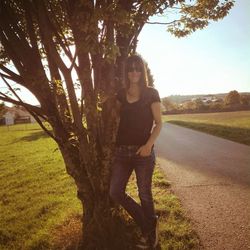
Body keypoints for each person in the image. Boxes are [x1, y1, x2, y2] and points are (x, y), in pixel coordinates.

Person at [109, 54, 162, 248]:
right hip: (122, 152)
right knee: (115, 192)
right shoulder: (121, 95)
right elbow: (113, 115)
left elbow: (159, 123)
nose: (134, 72)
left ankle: (149, 235)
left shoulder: (151, 93)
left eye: (137, 68)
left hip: (143, 153)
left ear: (143, 71)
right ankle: (150, 224)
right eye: (130, 69)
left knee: (145, 193)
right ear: (126, 72)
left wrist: (148, 146)